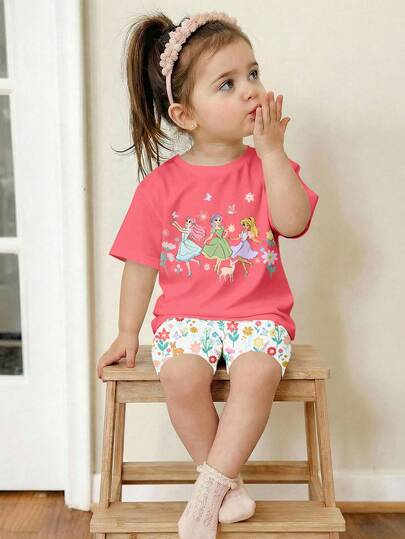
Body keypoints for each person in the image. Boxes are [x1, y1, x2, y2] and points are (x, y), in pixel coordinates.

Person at [96, 9, 319, 539]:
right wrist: (128, 332)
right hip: (186, 317)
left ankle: (207, 492)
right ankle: (227, 487)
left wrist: (273, 153)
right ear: (185, 114)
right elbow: (141, 264)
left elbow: (294, 222)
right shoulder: (160, 187)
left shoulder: (269, 167)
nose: (250, 91)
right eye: (227, 83)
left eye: (253, 73)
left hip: (258, 315)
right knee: (180, 375)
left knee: (257, 373)